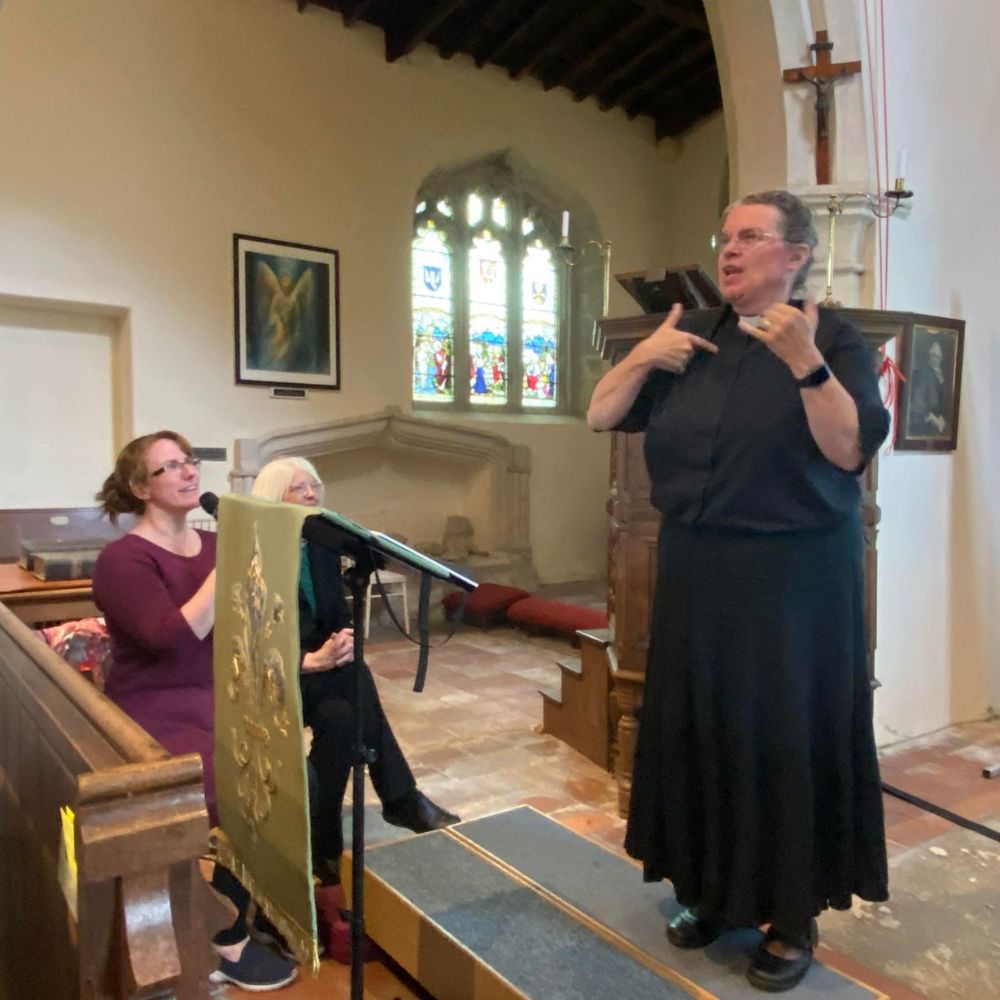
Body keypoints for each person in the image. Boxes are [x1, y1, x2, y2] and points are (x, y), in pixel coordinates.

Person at [587, 190, 889, 993]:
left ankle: (791, 916)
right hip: (696, 575)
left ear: (796, 255)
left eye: (750, 237)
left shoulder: (836, 338)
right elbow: (599, 413)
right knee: (701, 730)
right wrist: (645, 353)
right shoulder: (692, 335)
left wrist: (806, 364)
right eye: (724, 237)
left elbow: (851, 447)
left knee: (780, 740)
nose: (729, 250)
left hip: (792, 586)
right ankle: (712, 893)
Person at [92, 431, 297, 992]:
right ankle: (223, 935)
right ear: (140, 488)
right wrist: (231, 558)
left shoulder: (209, 547)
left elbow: (247, 628)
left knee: (286, 768)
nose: (188, 473)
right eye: (170, 467)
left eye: (189, 462)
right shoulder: (122, 559)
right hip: (156, 708)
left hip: (220, 697)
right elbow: (172, 642)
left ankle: (235, 910)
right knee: (227, 777)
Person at [250, 457, 460, 888]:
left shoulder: (323, 546)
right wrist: (306, 661)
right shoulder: (256, 553)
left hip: (323, 676)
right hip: (270, 679)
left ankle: (323, 846)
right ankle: (401, 797)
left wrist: (340, 644)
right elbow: (247, 632)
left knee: (342, 719)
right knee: (354, 677)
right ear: (274, 497)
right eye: (298, 488)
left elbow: (335, 615)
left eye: (314, 487)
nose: (311, 495)